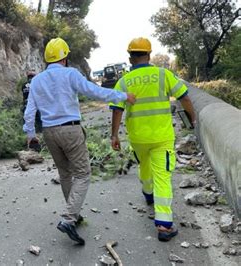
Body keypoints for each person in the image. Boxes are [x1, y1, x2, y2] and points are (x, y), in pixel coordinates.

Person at [23, 37, 136, 245]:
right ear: (65, 58)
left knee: (65, 174)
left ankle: (72, 214)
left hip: (49, 132)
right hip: (71, 130)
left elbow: (29, 112)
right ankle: (68, 218)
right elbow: (94, 92)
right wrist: (122, 96)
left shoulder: (36, 81)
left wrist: (31, 135)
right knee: (83, 174)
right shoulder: (70, 74)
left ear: (48, 59)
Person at [109, 37, 196, 242]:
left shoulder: (123, 81)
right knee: (163, 176)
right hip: (162, 137)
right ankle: (164, 225)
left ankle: (148, 194)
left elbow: (117, 111)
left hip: (138, 137)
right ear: (149, 55)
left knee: (145, 166)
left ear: (130, 58)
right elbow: (184, 96)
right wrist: (192, 117)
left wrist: (114, 135)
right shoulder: (163, 74)